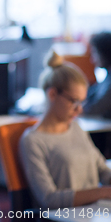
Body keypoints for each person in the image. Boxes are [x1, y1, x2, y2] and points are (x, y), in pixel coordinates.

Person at [19, 51, 111, 209]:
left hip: (92, 212)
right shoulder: (33, 141)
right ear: (53, 94)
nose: (79, 110)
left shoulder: (75, 127)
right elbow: (48, 198)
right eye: (74, 101)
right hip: (66, 215)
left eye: (82, 102)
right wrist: (102, 193)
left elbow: (102, 169)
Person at [84, 32, 111, 118]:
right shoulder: (107, 77)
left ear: (105, 53)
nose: (92, 60)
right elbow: (89, 94)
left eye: (95, 53)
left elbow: (94, 110)